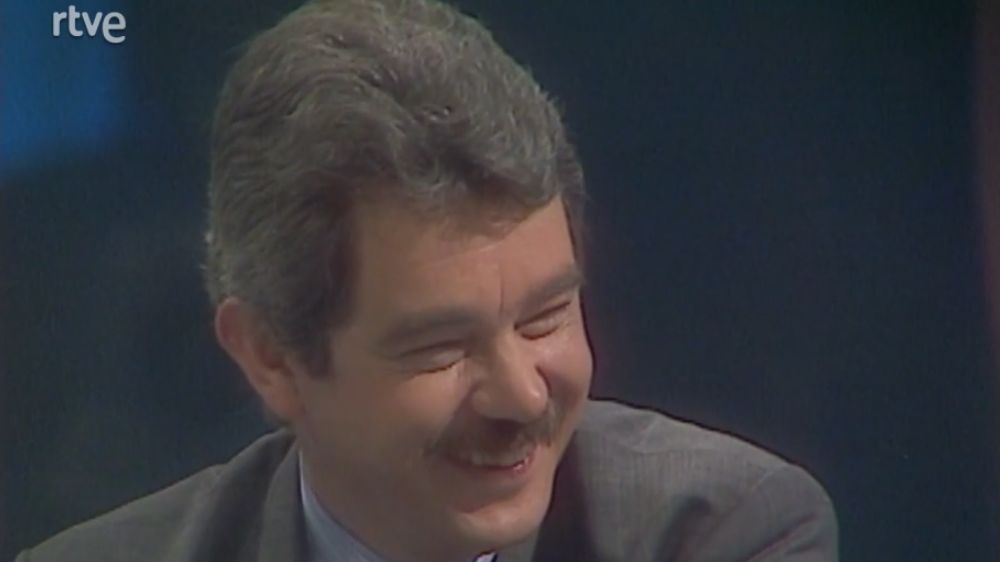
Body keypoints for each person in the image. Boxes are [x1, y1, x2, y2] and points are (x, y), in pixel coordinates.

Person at [16, 0, 838, 560]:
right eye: (441, 347)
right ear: (271, 355)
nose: (522, 397)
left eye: (546, 317)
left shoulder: (723, 534)